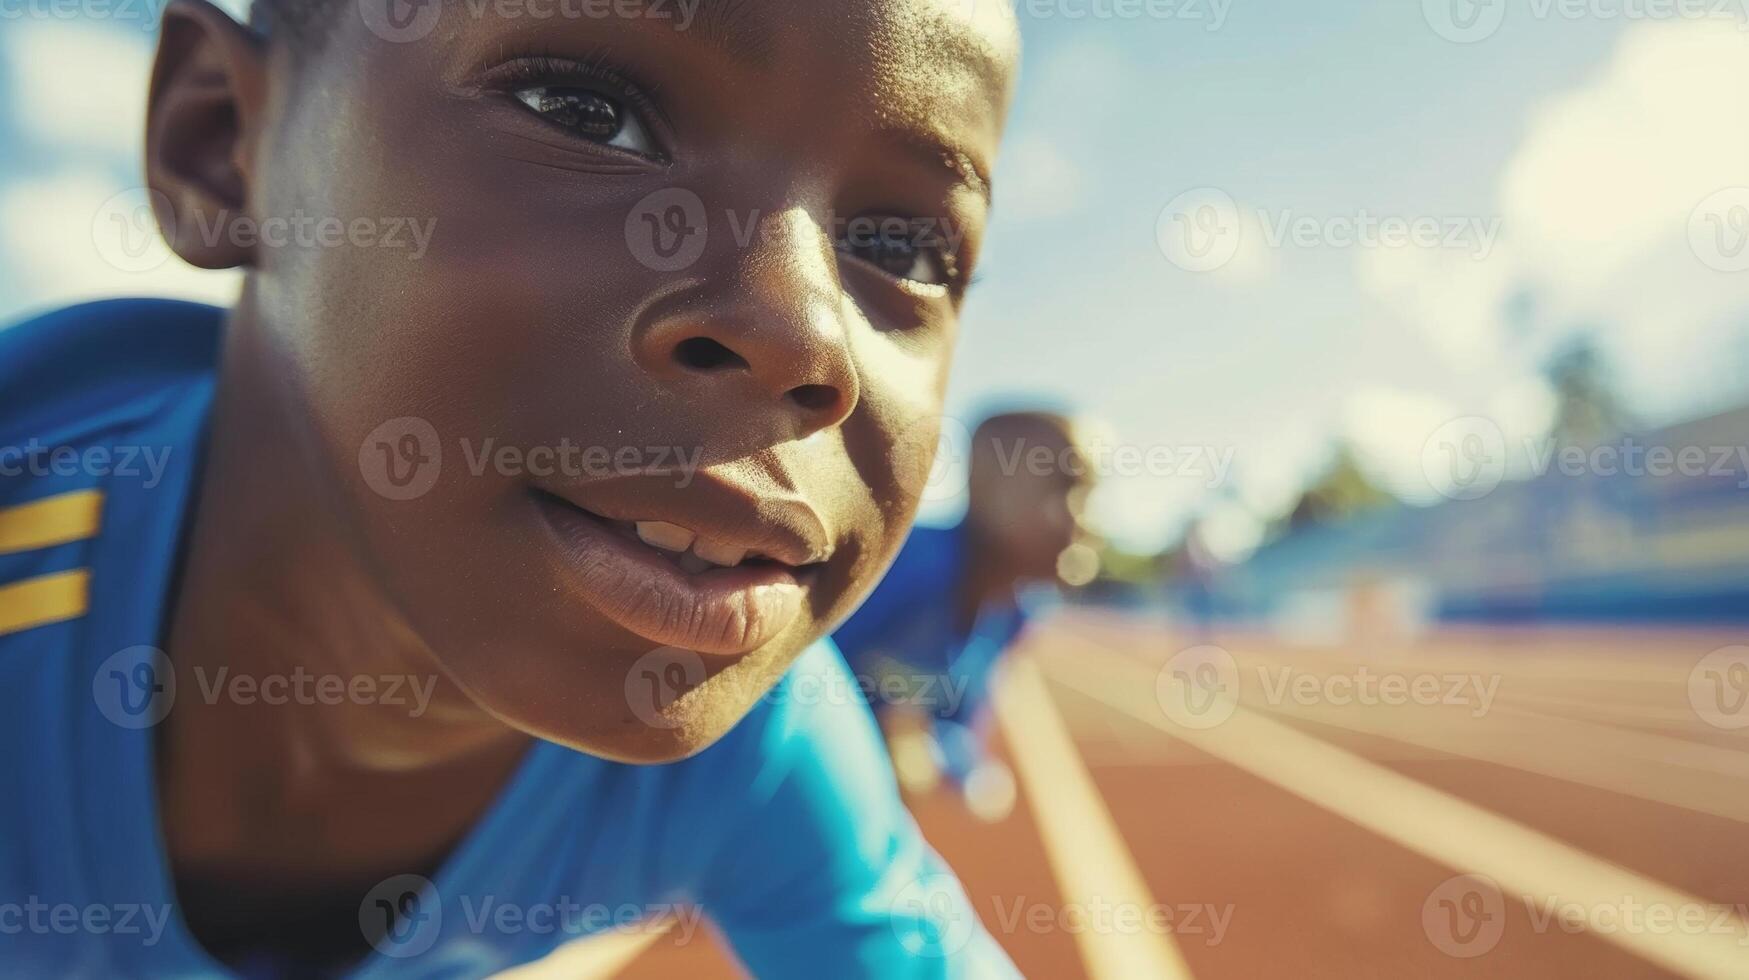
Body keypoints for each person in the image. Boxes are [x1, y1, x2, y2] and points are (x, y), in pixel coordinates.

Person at [0, 0, 1022, 974]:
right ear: (221, 141)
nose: (803, 335)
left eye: (905, 248)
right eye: (586, 112)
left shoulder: (753, 744)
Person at [834, 412, 1093, 822]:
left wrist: (945, 756)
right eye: (1067, 488)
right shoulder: (902, 567)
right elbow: (791, 673)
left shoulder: (1018, 612)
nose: (1084, 518)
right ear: (990, 487)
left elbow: (957, 722)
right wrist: (880, 733)